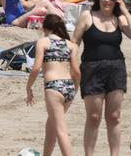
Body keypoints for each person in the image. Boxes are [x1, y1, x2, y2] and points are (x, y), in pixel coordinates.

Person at [73, 0, 131, 156]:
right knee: (94, 117)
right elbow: (74, 44)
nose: (107, 1)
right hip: (91, 69)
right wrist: (73, 69)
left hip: (116, 69)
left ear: (117, 0)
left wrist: (125, 10)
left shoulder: (118, 19)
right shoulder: (87, 16)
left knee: (114, 117)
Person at [25, 15, 79, 156]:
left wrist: (28, 87)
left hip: (54, 86)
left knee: (61, 130)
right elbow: (77, 72)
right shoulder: (71, 45)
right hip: (69, 86)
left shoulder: (43, 42)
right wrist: (75, 88)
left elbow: (36, 69)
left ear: (45, 27)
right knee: (52, 124)